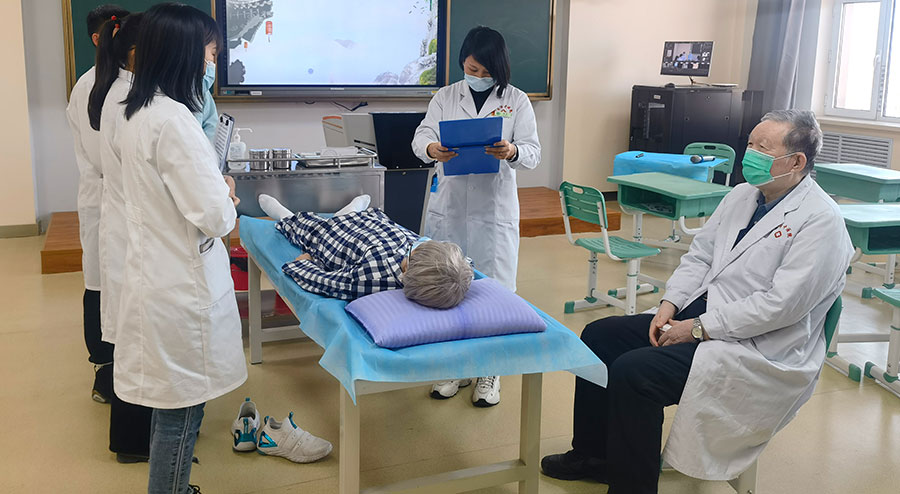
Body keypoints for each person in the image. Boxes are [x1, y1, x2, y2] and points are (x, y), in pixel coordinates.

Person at [540, 110, 854, 494]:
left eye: (763, 148)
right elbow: (700, 256)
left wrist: (696, 329)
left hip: (757, 344)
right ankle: (593, 456)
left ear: (796, 161)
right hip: (702, 314)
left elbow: (780, 306)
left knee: (635, 374)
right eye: (750, 144)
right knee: (599, 336)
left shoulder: (821, 220)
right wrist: (669, 305)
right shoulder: (742, 195)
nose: (750, 154)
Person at [116, 3, 246, 494]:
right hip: (180, 288)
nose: (213, 65)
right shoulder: (174, 121)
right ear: (186, 54)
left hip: (158, 274)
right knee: (183, 410)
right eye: (211, 54)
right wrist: (226, 193)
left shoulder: (140, 111)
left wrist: (213, 190)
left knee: (171, 403)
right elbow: (214, 217)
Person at [412, 25, 541, 406]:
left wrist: (512, 151)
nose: (479, 76)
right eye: (472, 69)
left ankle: (490, 371)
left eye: (487, 71)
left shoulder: (516, 100)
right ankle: (456, 366)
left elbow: (533, 152)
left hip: (493, 210)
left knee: (494, 292)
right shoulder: (445, 96)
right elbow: (421, 136)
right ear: (462, 63)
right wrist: (432, 148)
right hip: (450, 206)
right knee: (449, 289)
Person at [87, 12, 156, 464]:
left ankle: (133, 438)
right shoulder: (129, 101)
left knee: (132, 341)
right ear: (136, 52)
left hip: (125, 226)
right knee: (136, 344)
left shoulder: (116, 91)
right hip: (131, 230)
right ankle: (132, 442)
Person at [65, 3, 130, 403]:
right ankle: (104, 369)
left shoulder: (124, 82)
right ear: (99, 38)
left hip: (119, 200)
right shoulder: (91, 86)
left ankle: (121, 364)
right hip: (104, 199)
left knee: (116, 283)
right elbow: (104, 155)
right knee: (100, 285)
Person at [259, 194, 474, 309]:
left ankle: (285, 216)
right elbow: (464, 266)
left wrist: (302, 264)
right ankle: (352, 212)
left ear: (407, 272)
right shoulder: (445, 265)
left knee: (310, 229)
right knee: (373, 220)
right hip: (377, 228)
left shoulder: (371, 278)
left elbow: (327, 282)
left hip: (339, 238)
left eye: (412, 254)